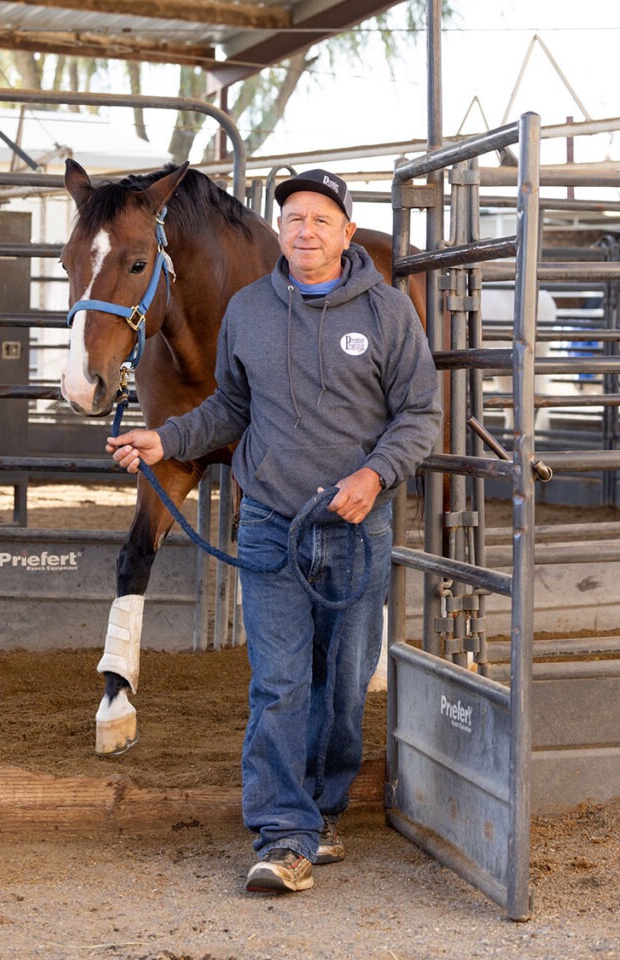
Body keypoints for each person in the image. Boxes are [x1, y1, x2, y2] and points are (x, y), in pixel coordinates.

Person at [107, 169, 442, 894]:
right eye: (293, 218)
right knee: (280, 682)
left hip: (354, 524)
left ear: (346, 233)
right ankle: (282, 832)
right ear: (280, 229)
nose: (305, 230)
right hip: (268, 523)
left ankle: (320, 810)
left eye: (321, 219)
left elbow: (420, 415)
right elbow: (229, 407)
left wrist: (374, 477)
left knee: (345, 686)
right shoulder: (249, 310)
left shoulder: (387, 312)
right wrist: (168, 439)